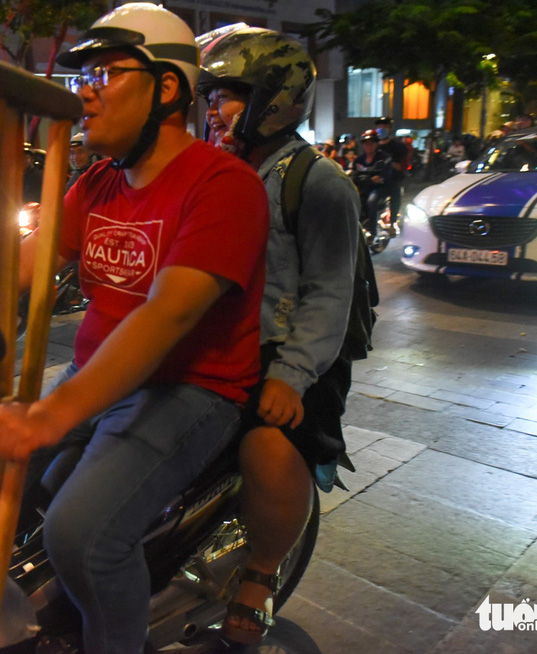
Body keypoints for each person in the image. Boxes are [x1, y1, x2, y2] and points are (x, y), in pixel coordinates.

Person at [0, 4, 268, 652]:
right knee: (5, 485)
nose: (86, 91)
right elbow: (19, 268)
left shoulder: (226, 185)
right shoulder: (100, 182)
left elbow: (167, 315)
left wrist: (51, 415)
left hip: (192, 388)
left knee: (82, 533)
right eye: (84, 74)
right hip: (100, 370)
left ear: (167, 87)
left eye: (107, 73)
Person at [199, 26, 359, 645]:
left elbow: (330, 293)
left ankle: (261, 573)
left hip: (290, 354)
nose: (216, 108)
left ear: (277, 96)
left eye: (232, 93)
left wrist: (291, 374)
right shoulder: (217, 171)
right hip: (223, 345)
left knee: (268, 445)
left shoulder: (318, 183)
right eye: (212, 95)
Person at [349, 129, 393, 235]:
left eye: (371, 143)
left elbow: (386, 173)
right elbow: (353, 172)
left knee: (371, 202)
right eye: (366, 144)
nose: (369, 146)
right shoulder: (358, 160)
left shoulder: (384, 158)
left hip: (378, 188)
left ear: (376, 144)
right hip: (362, 188)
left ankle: (372, 232)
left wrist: (379, 178)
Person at [374, 116, 407, 234]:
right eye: (379, 127)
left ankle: (393, 223)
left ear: (390, 129)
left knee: (395, 195)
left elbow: (401, 166)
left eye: (384, 127)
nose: (381, 129)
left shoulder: (398, 146)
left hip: (391, 179)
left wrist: (389, 163)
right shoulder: (373, 145)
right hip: (374, 179)